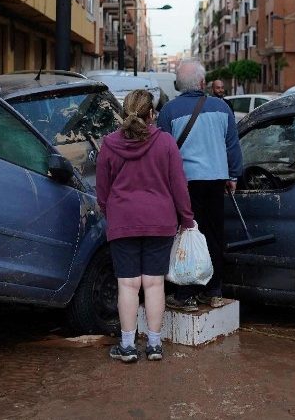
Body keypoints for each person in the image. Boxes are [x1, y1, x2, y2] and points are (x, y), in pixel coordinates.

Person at [97, 89, 195, 363]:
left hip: (123, 220)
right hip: (160, 221)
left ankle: (127, 347)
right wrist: (186, 219)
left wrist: (109, 210)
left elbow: (102, 189)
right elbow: (179, 186)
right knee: (154, 285)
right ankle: (154, 345)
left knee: (127, 285)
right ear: (152, 114)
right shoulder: (165, 143)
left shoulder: (109, 144)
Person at [158, 60, 243, 311]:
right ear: (203, 83)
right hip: (216, 181)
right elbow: (232, 146)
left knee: (187, 234)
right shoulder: (221, 108)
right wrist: (234, 176)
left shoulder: (169, 111)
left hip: (184, 184)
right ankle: (214, 291)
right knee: (214, 235)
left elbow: (162, 151)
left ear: (178, 86)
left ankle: (186, 294)